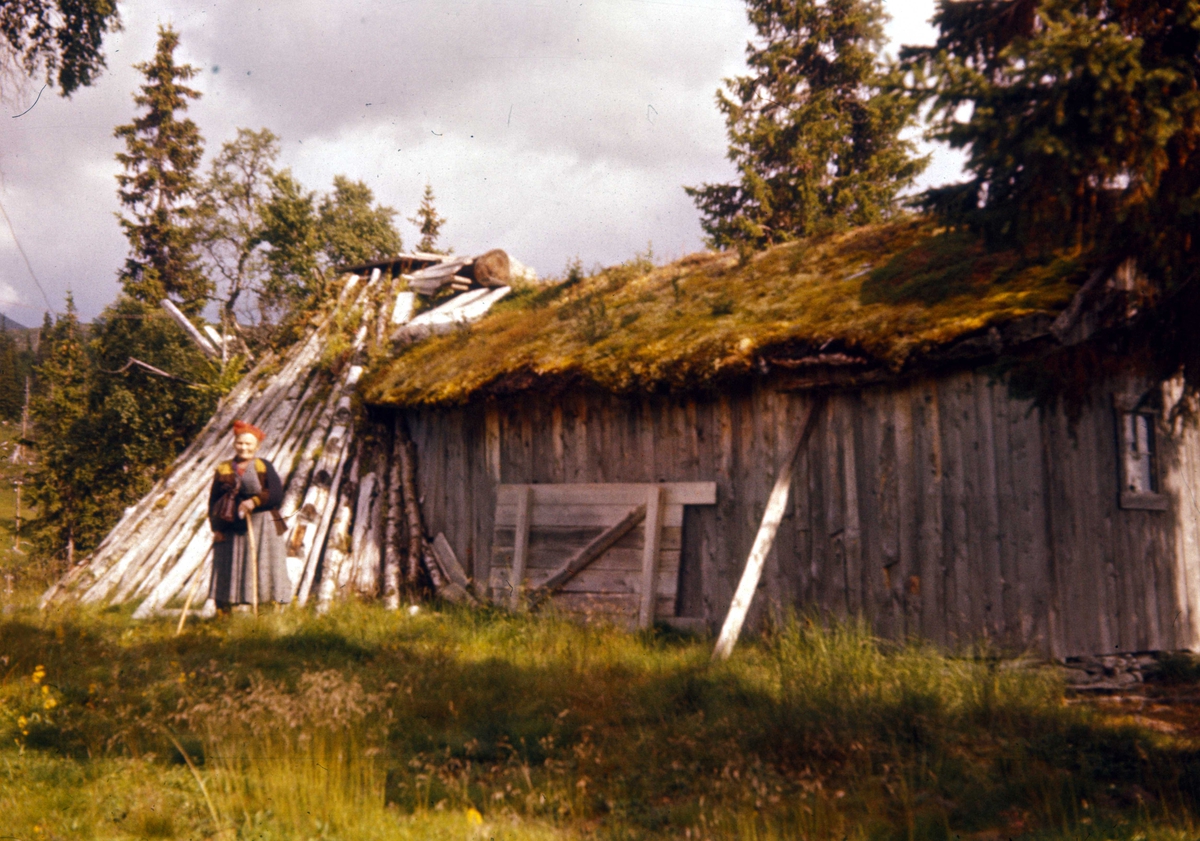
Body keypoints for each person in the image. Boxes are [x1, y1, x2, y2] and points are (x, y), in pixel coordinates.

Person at [208, 419, 292, 609]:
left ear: (256, 446)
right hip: (232, 524)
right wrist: (216, 528)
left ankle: (267, 611)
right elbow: (214, 500)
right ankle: (224, 613)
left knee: (266, 565)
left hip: (266, 522)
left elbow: (276, 494)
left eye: (248, 444)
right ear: (234, 443)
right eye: (240, 443)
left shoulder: (264, 466)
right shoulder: (223, 468)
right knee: (227, 565)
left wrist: (253, 501)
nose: (243, 447)